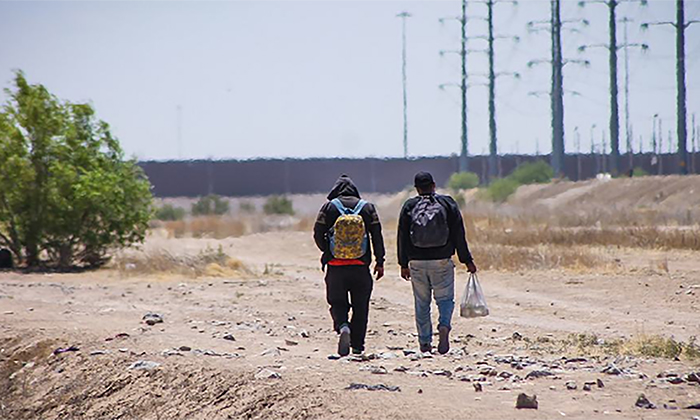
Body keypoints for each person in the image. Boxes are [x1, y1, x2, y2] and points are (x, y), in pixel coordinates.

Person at [397, 171, 477, 354]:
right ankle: (444, 325)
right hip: (442, 260)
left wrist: (403, 264)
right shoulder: (447, 203)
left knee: (422, 303)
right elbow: (458, 234)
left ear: (417, 188)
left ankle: (425, 342)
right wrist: (467, 260)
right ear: (433, 185)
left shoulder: (409, 205)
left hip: (416, 262)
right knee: (445, 299)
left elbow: (402, 236)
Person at [313, 175, 385, 356]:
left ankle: (343, 325)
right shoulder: (368, 208)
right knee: (361, 307)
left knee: (337, 302)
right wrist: (380, 261)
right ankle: (357, 346)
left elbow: (317, 233)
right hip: (361, 266)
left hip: (335, 266)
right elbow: (377, 235)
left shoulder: (329, 207)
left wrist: (327, 251)